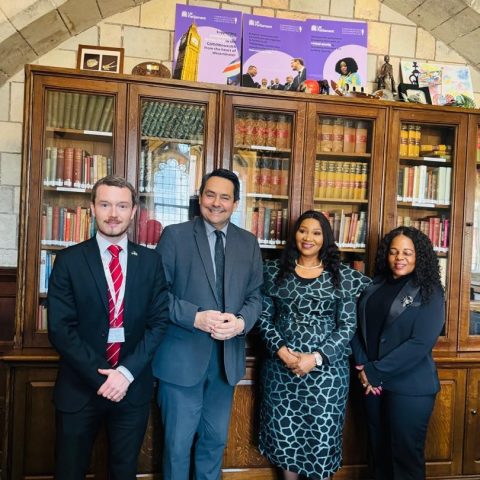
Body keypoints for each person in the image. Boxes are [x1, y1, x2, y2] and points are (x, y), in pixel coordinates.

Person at [47, 175, 170, 479]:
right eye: (105, 205)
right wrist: (103, 377)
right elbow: (61, 328)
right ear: (92, 208)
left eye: (122, 206)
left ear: (133, 211)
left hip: (132, 388)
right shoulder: (68, 261)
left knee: (123, 471)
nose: (113, 214)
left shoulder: (151, 262)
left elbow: (158, 324)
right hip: (79, 388)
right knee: (69, 471)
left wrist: (124, 374)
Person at [153, 168, 263, 480]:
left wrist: (241, 323)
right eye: (210, 194)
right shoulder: (175, 236)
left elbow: (256, 296)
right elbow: (156, 295)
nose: (216, 203)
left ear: (235, 203)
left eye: (224, 197)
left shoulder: (248, 243)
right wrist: (195, 317)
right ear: (200, 197)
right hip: (181, 361)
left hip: (226, 363)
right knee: (177, 447)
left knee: (214, 444)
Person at [257, 210, 370, 480]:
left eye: (316, 233)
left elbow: (347, 326)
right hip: (281, 372)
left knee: (321, 440)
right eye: (303, 230)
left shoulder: (343, 277)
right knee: (284, 438)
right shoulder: (273, 272)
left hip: (326, 376)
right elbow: (262, 317)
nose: (308, 238)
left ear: (325, 238)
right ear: (294, 234)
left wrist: (315, 358)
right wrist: (283, 352)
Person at [351, 226, 445, 480]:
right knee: (378, 454)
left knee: (404, 459)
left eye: (407, 252)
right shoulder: (375, 284)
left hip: (410, 387)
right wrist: (363, 366)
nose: (399, 257)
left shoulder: (430, 291)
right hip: (371, 385)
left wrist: (375, 371)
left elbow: (420, 343)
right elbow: (356, 328)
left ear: (419, 256)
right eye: (393, 252)